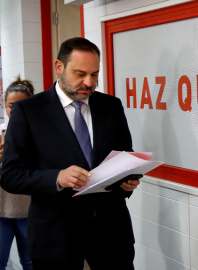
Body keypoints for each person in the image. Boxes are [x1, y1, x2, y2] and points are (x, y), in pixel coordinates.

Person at [1, 37, 140, 270]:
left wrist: (128, 180)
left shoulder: (111, 106)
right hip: (55, 238)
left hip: (111, 234)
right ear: (59, 67)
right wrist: (56, 178)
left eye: (95, 74)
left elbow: (125, 155)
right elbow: (10, 175)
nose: (89, 82)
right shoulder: (29, 111)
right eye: (80, 73)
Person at [0, 76, 34, 270]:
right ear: (5, 106)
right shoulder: (0, 133)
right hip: (1, 209)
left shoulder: (40, 136)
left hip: (30, 210)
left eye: (22, 105)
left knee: (30, 262)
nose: (16, 110)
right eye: (11, 105)